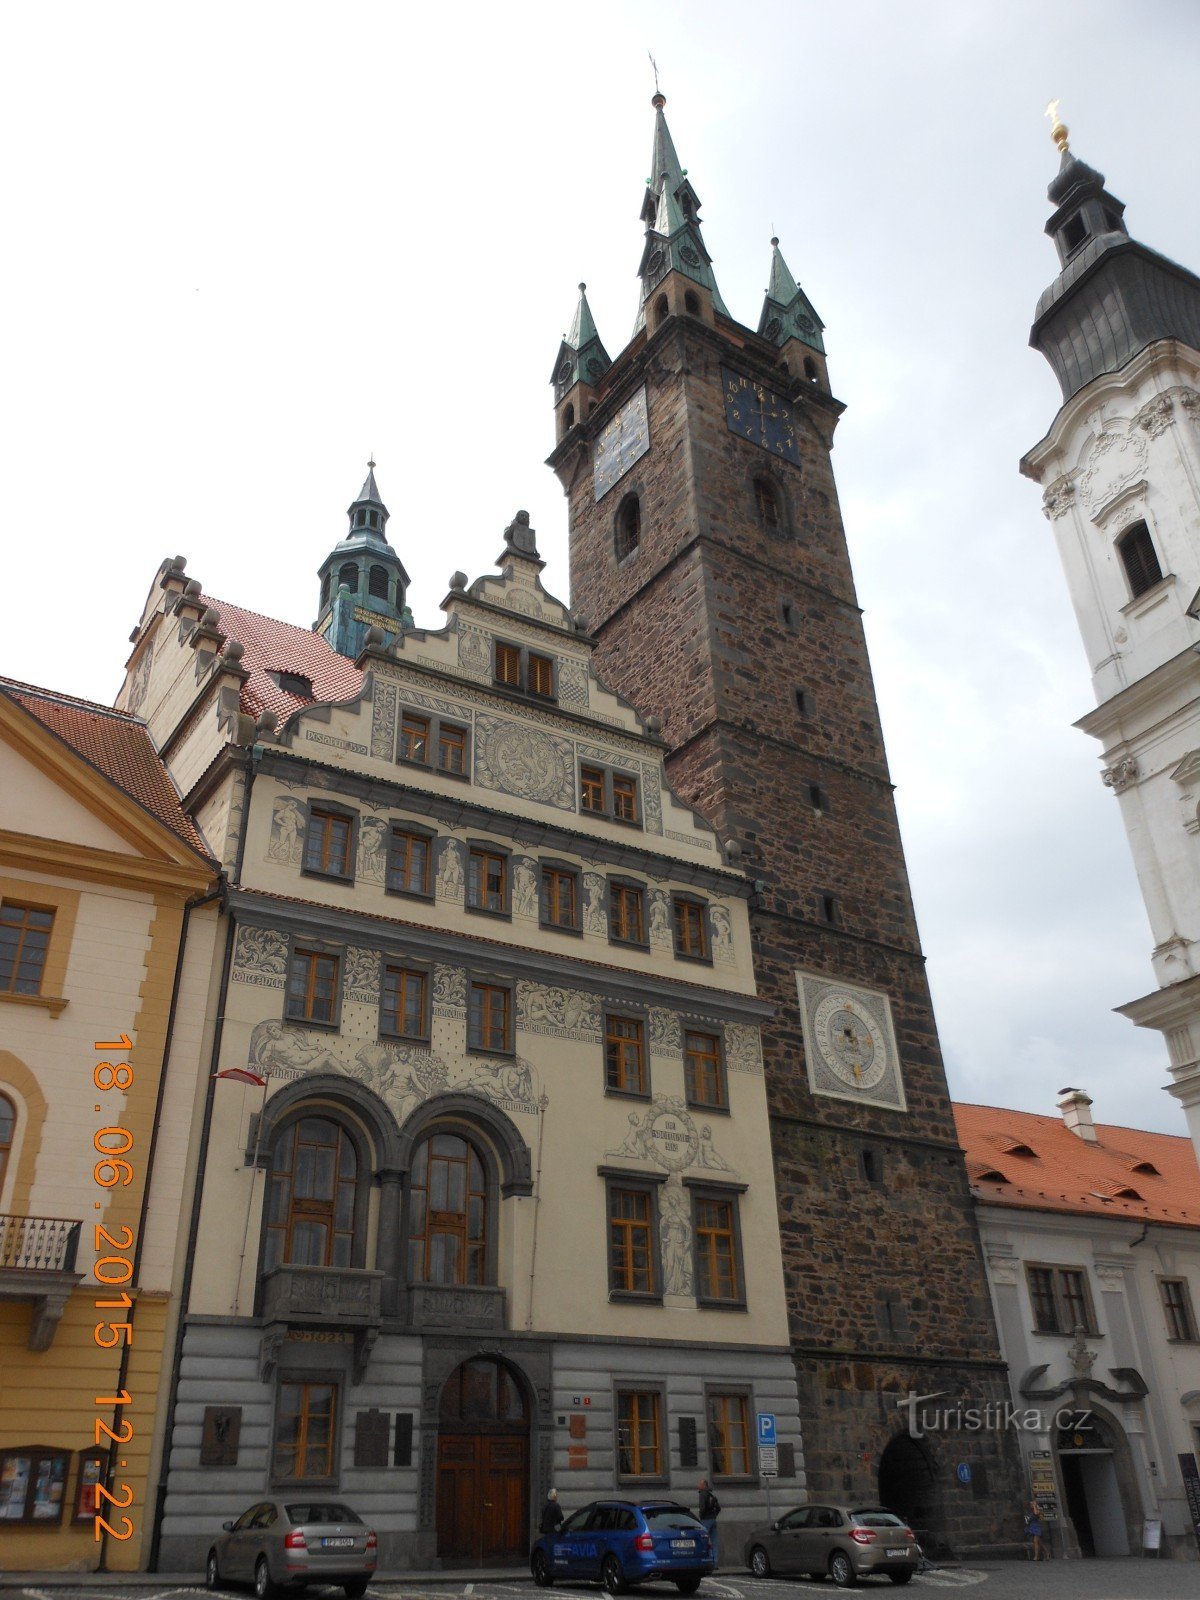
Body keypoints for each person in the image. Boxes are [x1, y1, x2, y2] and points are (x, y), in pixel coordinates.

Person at [698, 1478, 720, 1569]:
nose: (698, 1486)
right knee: (714, 1542)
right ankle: (715, 1563)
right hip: (712, 1520)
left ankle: (706, 1561)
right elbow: (718, 1508)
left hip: (705, 1520)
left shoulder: (703, 1494)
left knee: (704, 1541)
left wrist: (701, 1516)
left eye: (700, 1484)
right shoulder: (711, 1495)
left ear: (704, 1485)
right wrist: (714, 1516)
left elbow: (702, 1508)